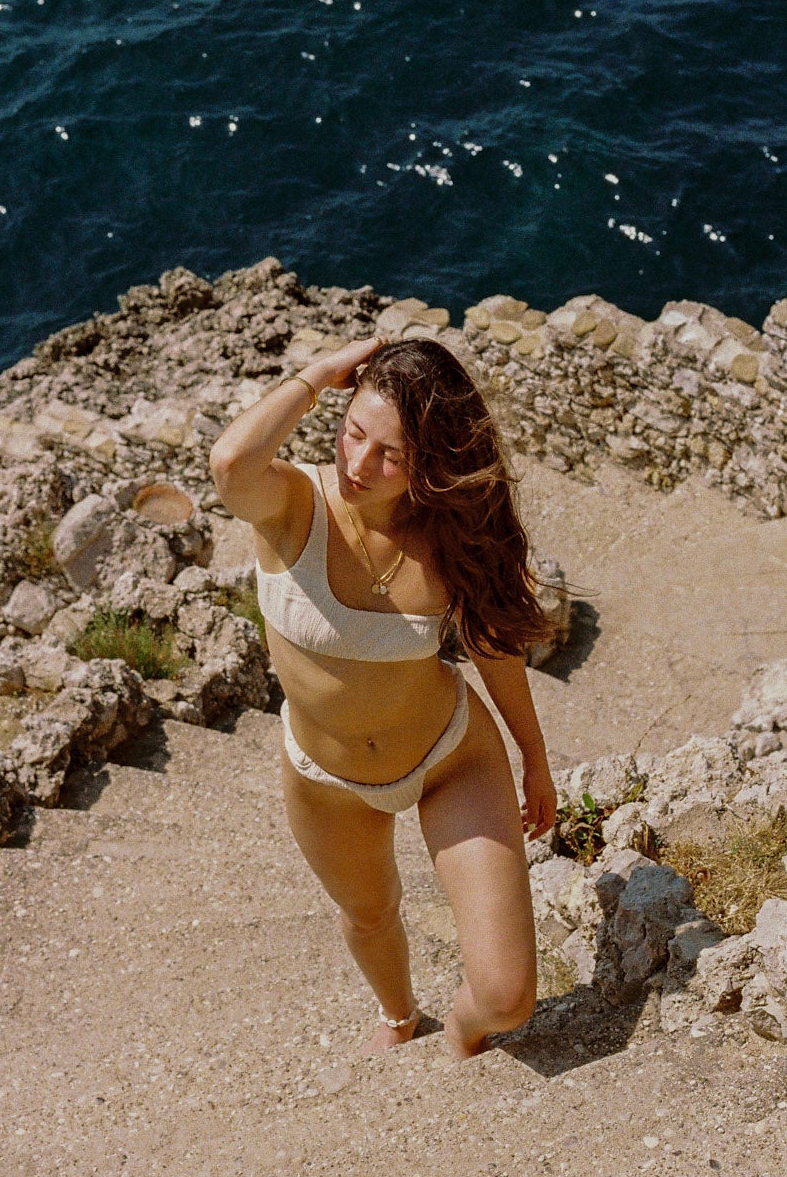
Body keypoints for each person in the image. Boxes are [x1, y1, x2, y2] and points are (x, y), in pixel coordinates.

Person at [210, 334, 558, 1058]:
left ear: (429, 463)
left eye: (390, 455)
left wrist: (534, 756)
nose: (358, 464)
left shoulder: (450, 537)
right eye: (353, 434)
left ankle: (460, 1038)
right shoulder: (290, 504)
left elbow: (495, 649)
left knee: (506, 996)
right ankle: (400, 1018)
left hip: (448, 757)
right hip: (326, 781)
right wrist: (315, 376)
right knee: (369, 917)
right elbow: (229, 464)